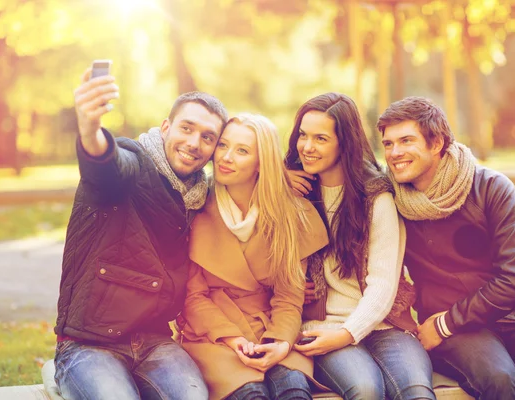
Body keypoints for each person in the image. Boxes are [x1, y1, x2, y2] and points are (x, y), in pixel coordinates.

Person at [377, 96, 515, 400]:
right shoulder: (390, 199)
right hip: (457, 333)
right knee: (498, 379)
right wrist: (293, 178)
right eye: (388, 144)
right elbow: (345, 183)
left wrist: (445, 323)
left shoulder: (491, 187)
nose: (395, 153)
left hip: (513, 318)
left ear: (436, 144)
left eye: (406, 140)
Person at [53, 68, 228, 400]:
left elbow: (250, 186)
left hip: (153, 342)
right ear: (166, 128)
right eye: (187, 128)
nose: (194, 143)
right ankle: (64, 374)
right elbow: (106, 165)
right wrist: (90, 129)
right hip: (89, 342)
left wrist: (284, 183)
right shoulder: (133, 165)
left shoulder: (200, 196)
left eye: (208, 137)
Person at [284, 93, 435, 400]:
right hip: (321, 325)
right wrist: (276, 178)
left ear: (345, 143)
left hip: (383, 324)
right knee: (365, 389)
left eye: (321, 138)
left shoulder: (376, 196)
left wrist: (347, 333)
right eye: (303, 135)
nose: (307, 147)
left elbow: (382, 282)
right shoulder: (293, 192)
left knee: (416, 392)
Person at [179, 113, 329, 400]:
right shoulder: (194, 207)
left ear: (262, 163)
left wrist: (282, 343)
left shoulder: (289, 214)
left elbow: (289, 297)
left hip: (273, 327)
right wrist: (233, 340)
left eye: (242, 150)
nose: (226, 157)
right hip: (214, 335)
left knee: (294, 391)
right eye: (223, 145)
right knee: (251, 394)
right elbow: (192, 298)